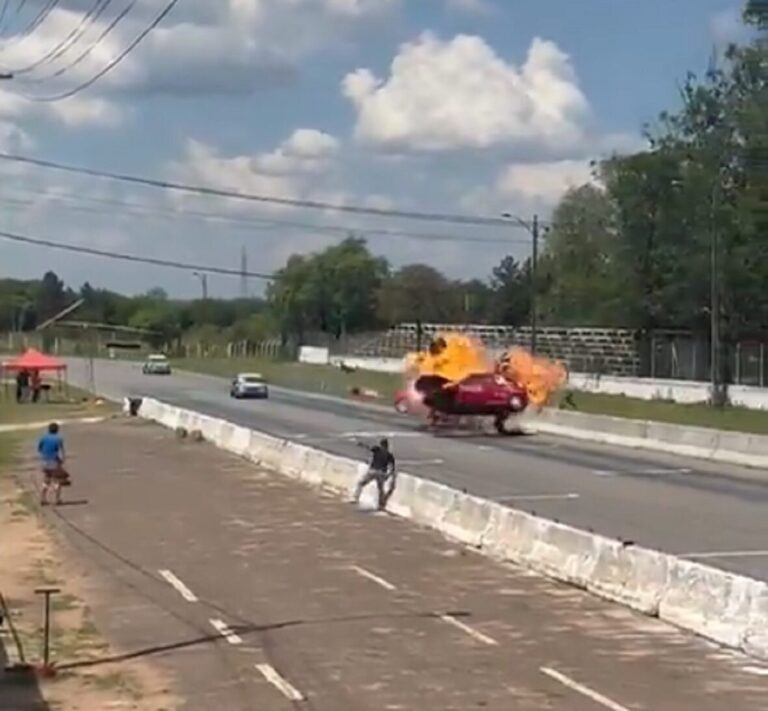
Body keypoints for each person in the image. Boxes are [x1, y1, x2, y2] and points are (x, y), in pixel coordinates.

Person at [352, 438, 396, 510]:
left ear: (381, 444)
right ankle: (381, 505)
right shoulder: (389, 455)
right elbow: (392, 468)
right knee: (380, 489)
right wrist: (389, 475)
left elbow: (368, 447)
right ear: (387, 446)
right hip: (381, 473)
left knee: (360, 483)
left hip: (373, 471)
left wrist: (361, 444)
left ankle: (355, 498)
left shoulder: (377, 449)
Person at [38, 422, 66, 506]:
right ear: (57, 430)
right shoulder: (58, 439)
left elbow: (39, 449)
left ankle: (43, 498)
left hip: (45, 462)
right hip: (54, 462)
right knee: (57, 481)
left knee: (46, 480)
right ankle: (57, 499)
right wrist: (62, 460)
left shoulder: (43, 438)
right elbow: (61, 451)